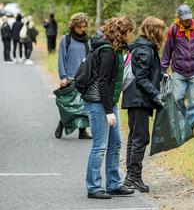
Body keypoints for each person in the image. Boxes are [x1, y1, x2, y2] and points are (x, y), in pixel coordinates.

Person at [81, 15, 135, 199]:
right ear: (125, 32)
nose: (131, 37)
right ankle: (93, 187)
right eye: (130, 34)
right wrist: (109, 111)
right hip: (98, 103)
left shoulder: (116, 48)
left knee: (116, 142)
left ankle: (113, 183)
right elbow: (103, 82)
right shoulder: (108, 52)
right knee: (100, 146)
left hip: (107, 101)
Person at [122, 16, 165, 193]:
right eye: (161, 30)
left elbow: (148, 73)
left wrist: (161, 76)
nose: (164, 34)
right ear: (154, 31)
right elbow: (141, 78)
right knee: (140, 138)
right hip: (138, 99)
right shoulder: (145, 50)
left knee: (135, 137)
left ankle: (130, 176)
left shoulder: (144, 47)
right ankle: (133, 177)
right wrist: (157, 95)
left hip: (135, 97)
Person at [55, 12, 91, 139]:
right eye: (79, 26)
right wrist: (63, 76)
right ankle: (61, 123)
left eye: (84, 26)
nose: (82, 29)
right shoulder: (66, 39)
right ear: (73, 26)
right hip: (70, 78)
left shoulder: (88, 40)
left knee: (83, 106)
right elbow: (61, 59)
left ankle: (82, 131)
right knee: (69, 106)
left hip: (84, 79)